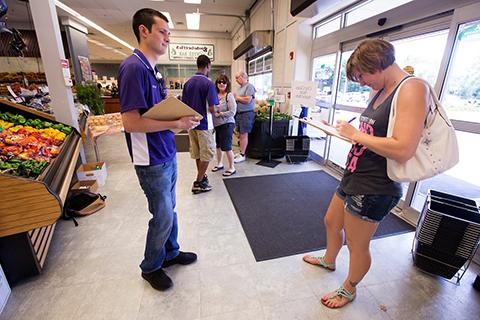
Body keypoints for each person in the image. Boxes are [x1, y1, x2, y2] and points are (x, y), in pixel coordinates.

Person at [302, 39, 429, 308]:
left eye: (362, 76)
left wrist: (357, 135)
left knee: (358, 245)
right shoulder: (381, 89)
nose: (360, 83)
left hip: (376, 185)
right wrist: (341, 131)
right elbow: (370, 135)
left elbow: (404, 148)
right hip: (355, 173)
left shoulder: (412, 88)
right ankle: (329, 260)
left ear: (379, 65)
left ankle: (349, 288)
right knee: (331, 222)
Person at [118, 8, 200, 291]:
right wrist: (176, 120)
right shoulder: (133, 68)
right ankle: (151, 266)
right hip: (149, 159)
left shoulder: (151, 70)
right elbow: (130, 122)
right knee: (162, 213)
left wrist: (181, 120)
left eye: (169, 33)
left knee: (171, 209)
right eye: (163, 31)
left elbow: (155, 116)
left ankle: (171, 252)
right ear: (144, 31)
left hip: (166, 152)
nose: (168, 38)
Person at [182, 54, 219, 194]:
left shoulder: (188, 83)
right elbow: (211, 108)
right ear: (208, 66)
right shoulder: (208, 83)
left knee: (198, 154)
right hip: (204, 125)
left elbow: (184, 105)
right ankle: (198, 182)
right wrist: (217, 110)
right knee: (207, 154)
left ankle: (202, 178)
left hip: (191, 125)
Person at [211, 74, 237, 176]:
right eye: (219, 82)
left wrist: (220, 114)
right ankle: (220, 164)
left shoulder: (229, 95)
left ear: (227, 84)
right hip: (217, 125)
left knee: (227, 146)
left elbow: (232, 112)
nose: (221, 84)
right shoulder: (214, 95)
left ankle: (232, 167)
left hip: (227, 124)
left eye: (224, 82)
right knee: (218, 146)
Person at [233, 71, 256, 163]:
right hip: (239, 113)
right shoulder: (240, 88)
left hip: (246, 113)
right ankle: (241, 152)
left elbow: (248, 99)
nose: (236, 80)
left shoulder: (249, 86)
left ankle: (242, 154)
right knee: (240, 134)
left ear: (243, 77)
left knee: (244, 134)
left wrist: (236, 97)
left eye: (237, 78)